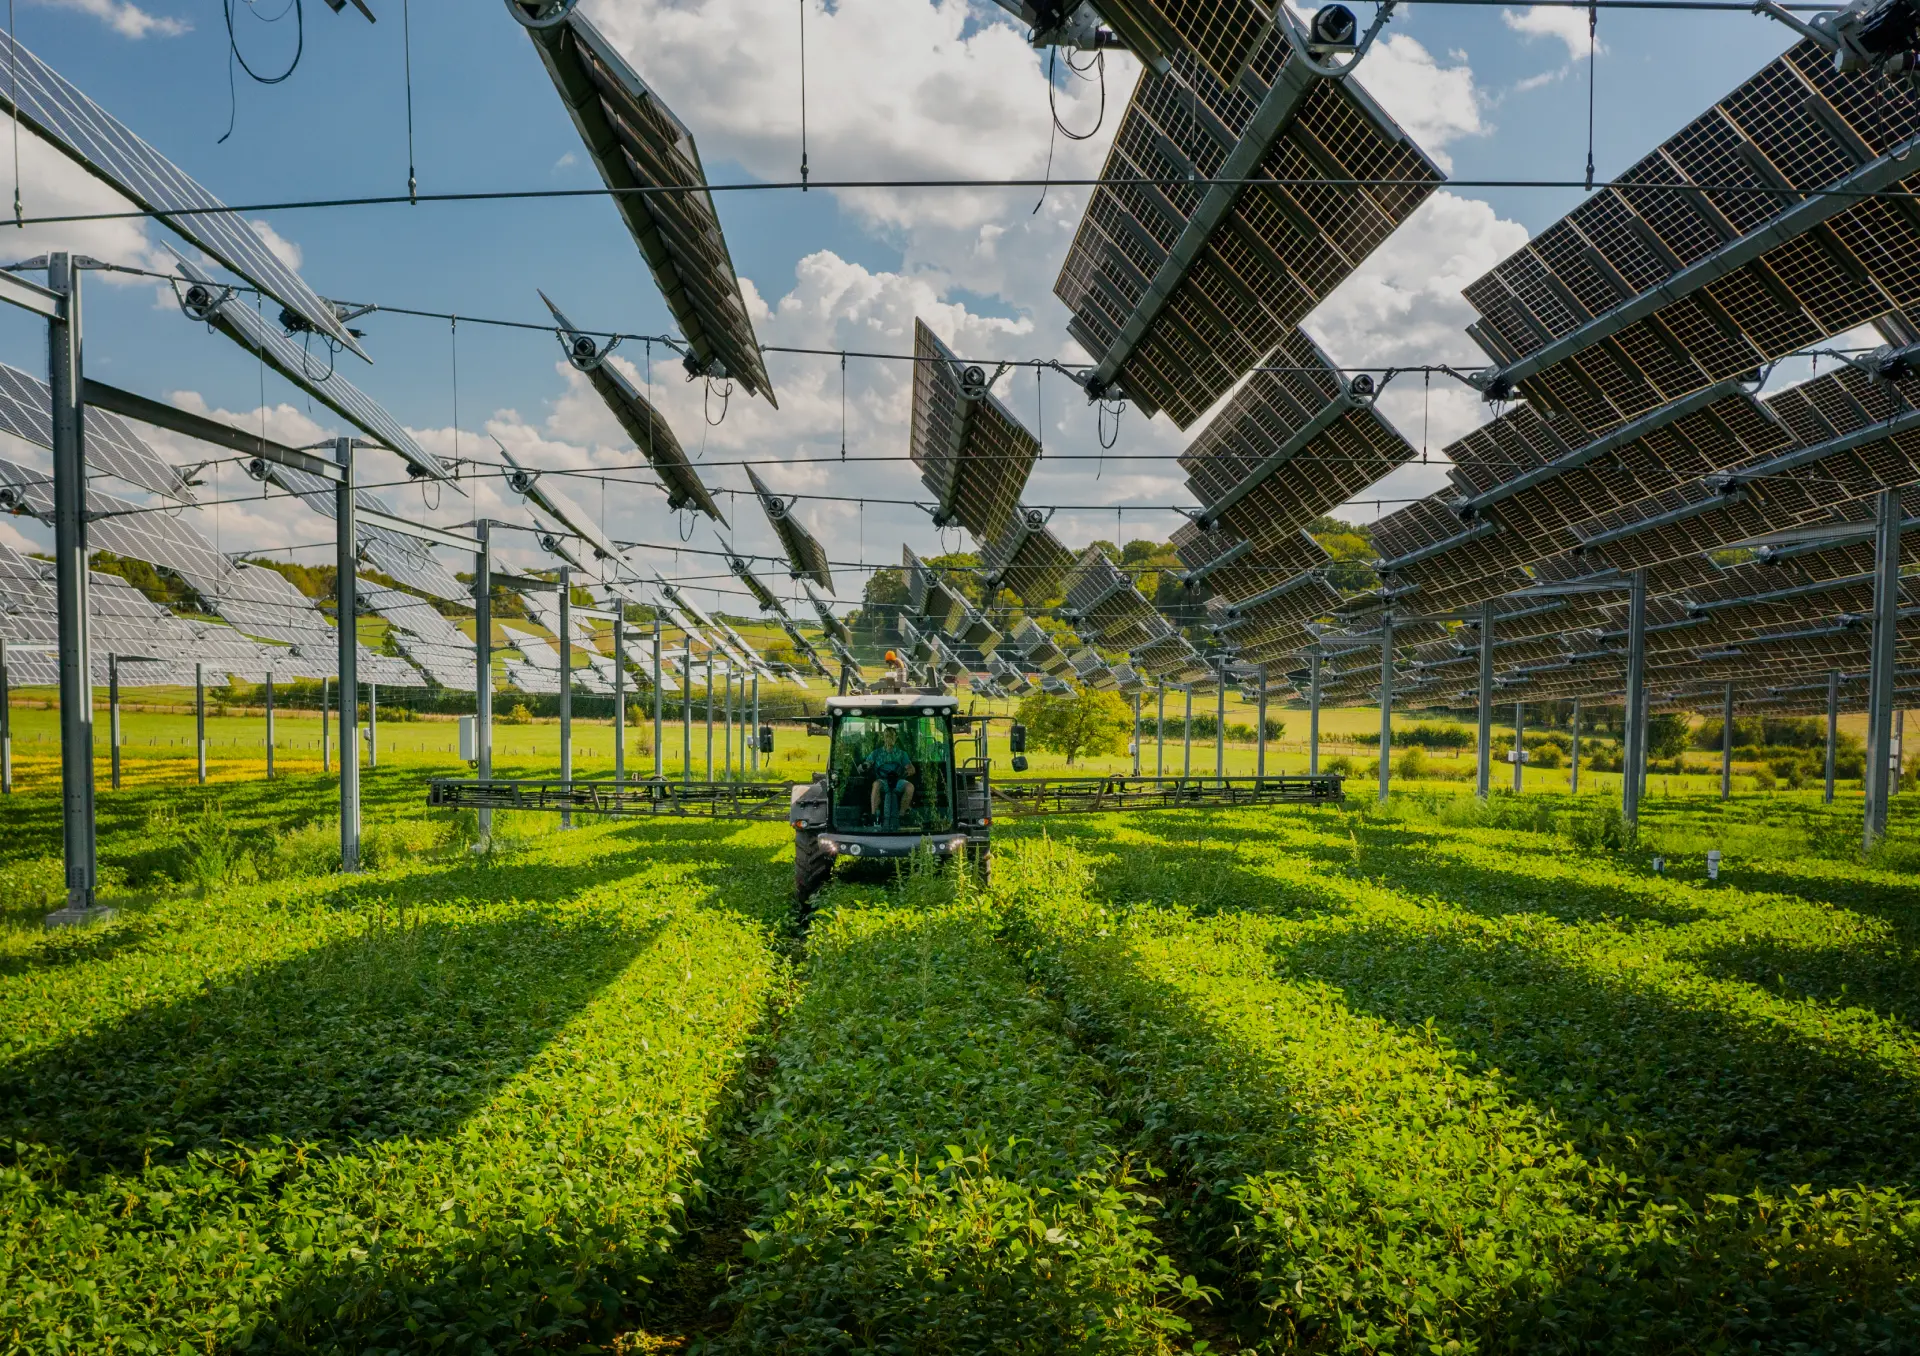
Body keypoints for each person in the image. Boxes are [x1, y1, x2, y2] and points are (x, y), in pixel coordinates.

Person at [864, 724, 917, 828]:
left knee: (910, 787)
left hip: (898, 781)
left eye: (892, 736)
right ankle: (875, 816)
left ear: (896, 738)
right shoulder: (876, 753)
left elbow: (910, 768)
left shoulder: (902, 754)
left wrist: (909, 770)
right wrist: (865, 766)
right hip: (882, 780)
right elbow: (867, 763)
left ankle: (901, 816)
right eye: (887, 736)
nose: (889, 738)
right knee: (876, 785)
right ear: (883, 737)